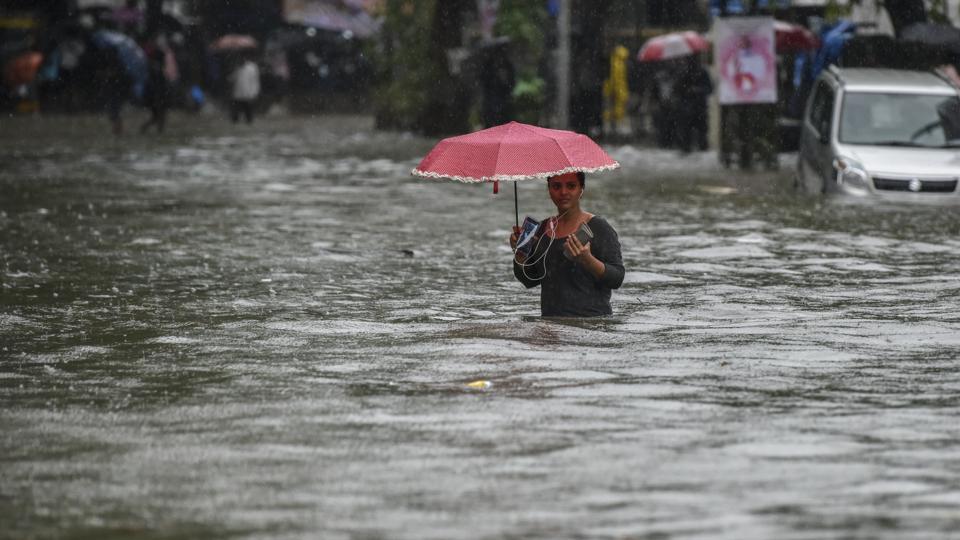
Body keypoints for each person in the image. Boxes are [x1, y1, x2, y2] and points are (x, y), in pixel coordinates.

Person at [509, 172, 625, 317]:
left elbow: (617, 278)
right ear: (549, 189)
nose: (563, 192)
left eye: (571, 186)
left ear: (581, 189)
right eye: (556, 186)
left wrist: (587, 260)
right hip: (552, 326)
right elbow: (529, 280)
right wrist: (520, 255)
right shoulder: (541, 229)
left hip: (591, 324)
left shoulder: (598, 227)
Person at [140, 49, 170, 134]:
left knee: (158, 115)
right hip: (156, 95)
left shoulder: (154, 67)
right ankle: (158, 130)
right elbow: (156, 83)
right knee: (159, 114)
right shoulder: (156, 68)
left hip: (155, 94)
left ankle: (151, 129)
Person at [230, 55, 260, 124]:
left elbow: (255, 80)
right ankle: (235, 121)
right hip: (237, 92)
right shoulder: (237, 67)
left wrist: (255, 92)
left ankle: (249, 121)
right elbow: (233, 78)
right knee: (236, 109)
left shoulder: (252, 67)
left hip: (248, 93)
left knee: (248, 109)